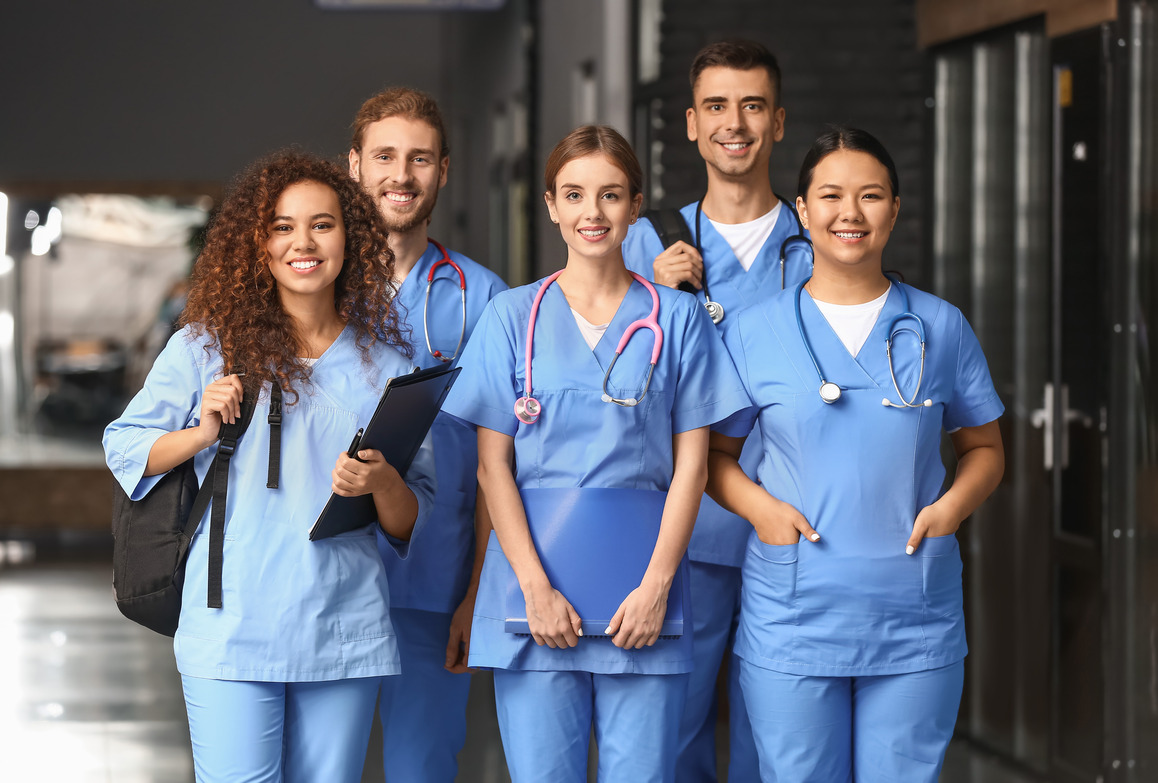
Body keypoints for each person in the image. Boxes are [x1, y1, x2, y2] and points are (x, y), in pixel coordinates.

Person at [103, 151, 435, 783]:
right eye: (282, 227)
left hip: (343, 627)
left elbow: (407, 520)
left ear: (352, 237)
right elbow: (125, 447)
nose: (302, 243)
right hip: (231, 625)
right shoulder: (205, 347)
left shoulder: (388, 368)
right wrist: (201, 432)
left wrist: (383, 481)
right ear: (258, 244)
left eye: (322, 224)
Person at [441, 125, 749, 782]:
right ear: (551, 204)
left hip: (645, 596)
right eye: (575, 195)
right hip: (533, 594)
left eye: (611, 196)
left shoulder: (678, 318)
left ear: (635, 206)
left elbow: (693, 465)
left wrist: (657, 587)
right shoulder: (510, 317)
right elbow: (492, 465)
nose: (593, 213)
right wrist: (535, 588)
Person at [707, 126, 1006, 782]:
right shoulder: (754, 333)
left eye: (870, 196)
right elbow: (715, 460)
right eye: (831, 196)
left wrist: (952, 507)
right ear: (803, 210)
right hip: (793, 614)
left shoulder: (940, 326)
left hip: (913, 615)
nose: (850, 213)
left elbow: (984, 446)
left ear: (894, 210)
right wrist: (763, 511)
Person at [621, 38, 813, 782]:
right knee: (671, 732)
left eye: (753, 105)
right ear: (693, 125)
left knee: (781, 742)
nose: (736, 123)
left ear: (779, 121)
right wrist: (653, 297)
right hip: (683, 531)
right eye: (718, 107)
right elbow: (604, 384)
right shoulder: (643, 242)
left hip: (791, 529)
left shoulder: (818, 241)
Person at [348, 86, 507, 782]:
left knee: (424, 767)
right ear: (353, 166)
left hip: (433, 581)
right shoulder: (312, 281)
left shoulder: (486, 298)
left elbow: (500, 463)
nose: (401, 175)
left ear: (444, 170)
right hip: (330, 577)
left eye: (420, 159)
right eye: (384, 155)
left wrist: (479, 591)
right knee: (322, 764)